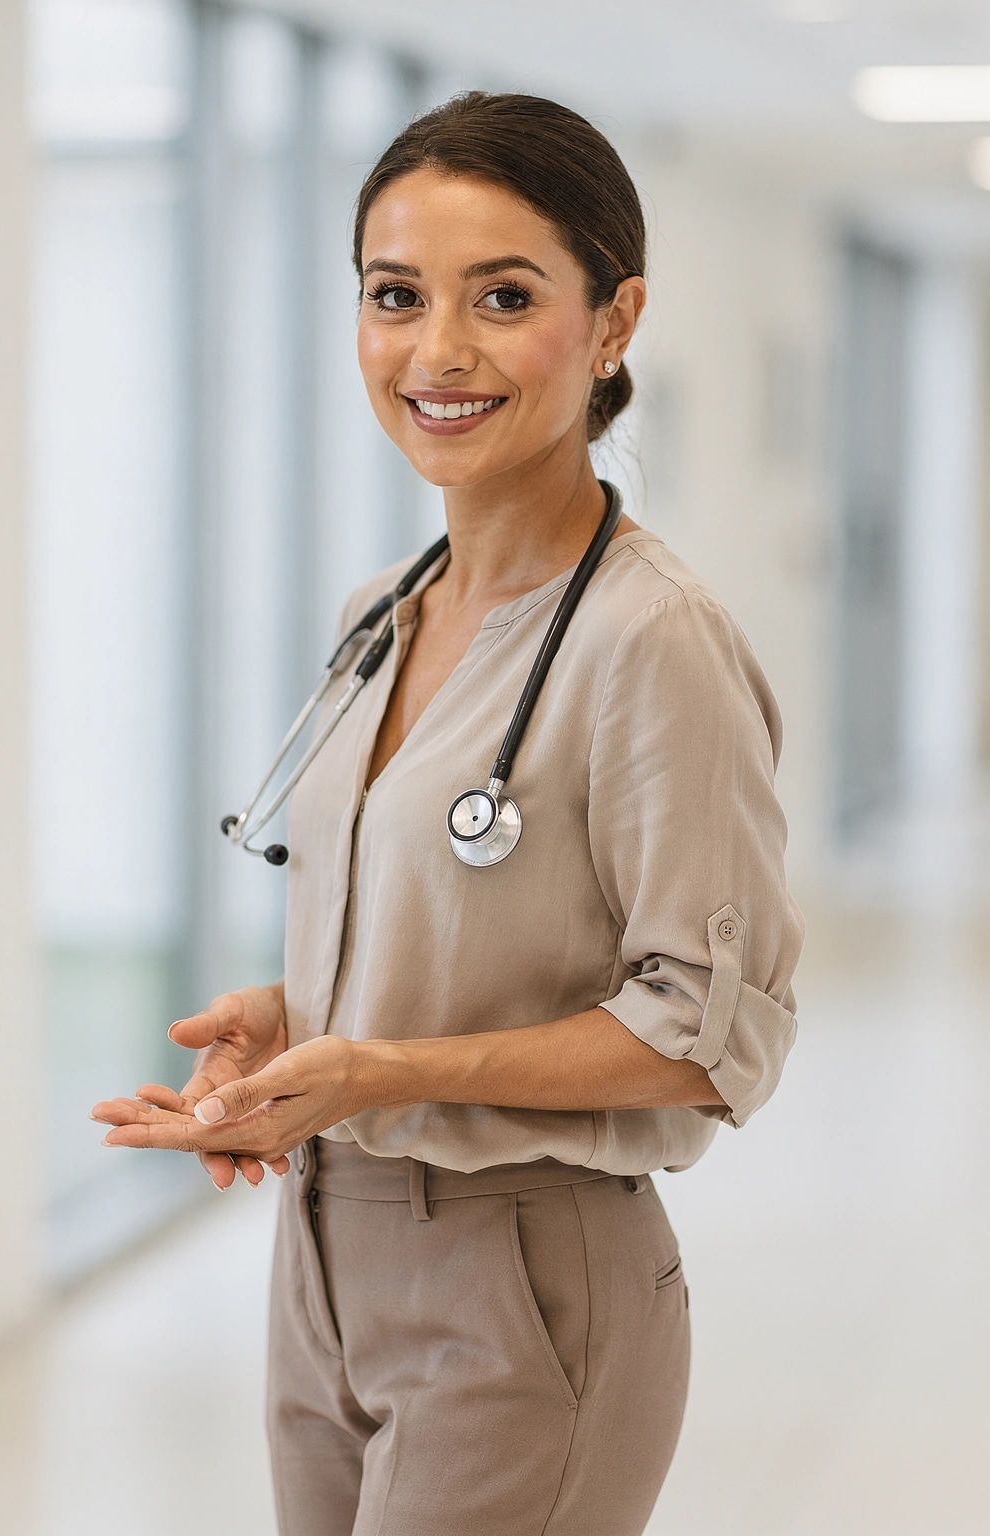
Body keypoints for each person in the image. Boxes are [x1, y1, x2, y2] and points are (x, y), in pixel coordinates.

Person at [93, 91, 804, 1536]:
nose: (439, 350)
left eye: (504, 297)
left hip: (523, 1280)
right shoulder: (384, 613)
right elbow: (461, 928)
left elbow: (708, 1036)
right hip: (323, 1267)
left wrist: (388, 1065)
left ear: (615, 322)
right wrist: (303, 1024)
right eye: (395, 295)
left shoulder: (649, 640)